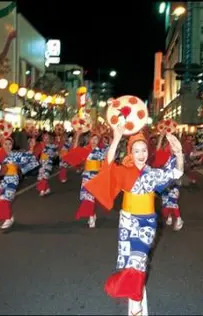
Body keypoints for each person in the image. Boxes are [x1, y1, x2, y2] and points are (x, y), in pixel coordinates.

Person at [84, 125, 184, 315]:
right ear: (130, 152)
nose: (141, 154)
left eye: (144, 150)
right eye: (136, 150)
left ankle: (136, 300)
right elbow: (108, 163)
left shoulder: (153, 174)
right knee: (130, 262)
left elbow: (176, 173)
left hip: (147, 222)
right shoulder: (123, 171)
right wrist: (116, 138)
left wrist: (178, 154)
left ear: (148, 151)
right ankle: (128, 288)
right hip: (127, 221)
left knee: (139, 259)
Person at [0, 137, 39, 229]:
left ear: (12, 145)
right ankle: (10, 217)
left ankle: (8, 219)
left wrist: (32, 146)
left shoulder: (16, 154)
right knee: (1, 199)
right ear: (2, 145)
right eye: (5, 144)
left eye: (9, 144)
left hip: (13, 179)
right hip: (3, 180)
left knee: (6, 198)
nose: (7, 146)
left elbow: (28, 155)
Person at [62, 130, 108, 228]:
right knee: (87, 198)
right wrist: (78, 135)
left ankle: (92, 215)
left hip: (96, 177)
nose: (94, 141)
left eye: (96, 139)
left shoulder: (101, 151)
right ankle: (92, 215)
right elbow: (74, 150)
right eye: (93, 138)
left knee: (92, 198)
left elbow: (109, 158)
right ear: (89, 139)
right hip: (87, 176)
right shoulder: (85, 150)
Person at [35, 132, 58, 196]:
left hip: (48, 165)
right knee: (40, 177)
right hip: (42, 164)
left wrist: (54, 154)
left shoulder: (52, 146)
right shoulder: (43, 145)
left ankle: (42, 190)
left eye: (47, 138)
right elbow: (43, 155)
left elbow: (54, 154)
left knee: (44, 177)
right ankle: (47, 189)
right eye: (44, 138)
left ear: (50, 139)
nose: (45, 139)